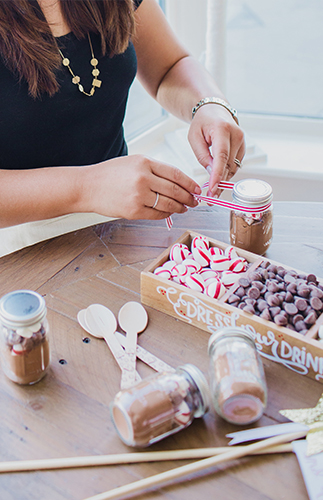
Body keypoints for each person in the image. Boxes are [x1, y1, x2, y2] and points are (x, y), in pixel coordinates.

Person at [0, 0, 245, 231]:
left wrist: (208, 105)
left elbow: (169, 66)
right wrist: (89, 188)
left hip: (119, 224)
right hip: (18, 246)